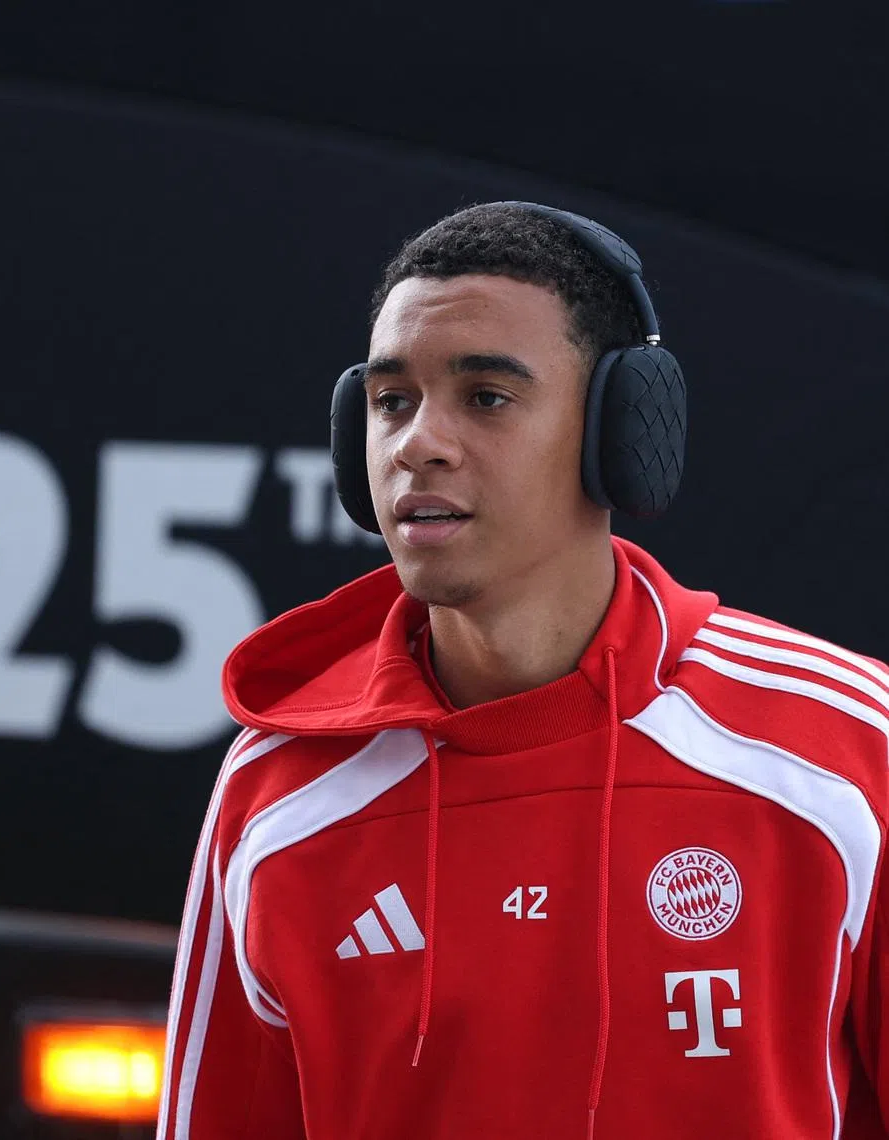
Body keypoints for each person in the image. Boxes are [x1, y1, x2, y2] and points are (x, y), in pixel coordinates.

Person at [156, 202, 889, 1139]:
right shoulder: (278, 799)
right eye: (391, 402)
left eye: (486, 397)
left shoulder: (843, 755)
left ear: (621, 432)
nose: (418, 443)